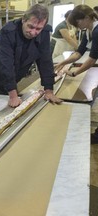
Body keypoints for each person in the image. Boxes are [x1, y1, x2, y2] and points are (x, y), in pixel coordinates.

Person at [0, 4, 62, 108]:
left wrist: (49, 90)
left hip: (14, 76)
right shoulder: (8, 32)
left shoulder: (44, 32)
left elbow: (45, 61)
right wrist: (13, 96)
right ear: (23, 20)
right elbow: (5, 64)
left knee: (9, 109)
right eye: (30, 26)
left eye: (38, 29)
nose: (33, 32)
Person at [54, 4, 98, 144]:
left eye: (77, 23)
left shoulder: (97, 30)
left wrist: (74, 73)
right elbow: (79, 52)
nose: (77, 27)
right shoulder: (88, 31)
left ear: (86, 18)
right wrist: (63, 63)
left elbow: (91, 59)